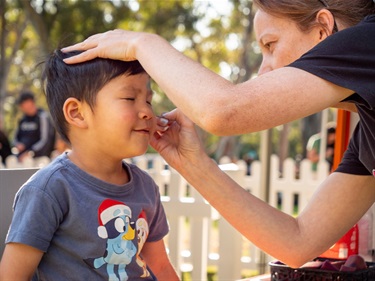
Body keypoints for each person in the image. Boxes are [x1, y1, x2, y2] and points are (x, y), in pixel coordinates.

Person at [60, 0, 375, 268]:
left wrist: (141, 44)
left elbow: (225, 111)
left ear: (323, 29)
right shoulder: (368, 132)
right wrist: (191, 163)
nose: (263, 70)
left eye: (270, 45)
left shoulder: (370, 40)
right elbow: (298, 243)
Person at [0, 50, 179, 280]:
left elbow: (160, 267)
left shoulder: (145, 186)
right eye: (129, 98)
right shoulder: (50, 190)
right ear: (77, 113)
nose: (147, 112)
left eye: (148, 100)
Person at [13, 91, 56, 162]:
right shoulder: (22, 120)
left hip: (40, 156)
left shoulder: (42, 117)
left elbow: (45, 140)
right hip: (22, 156)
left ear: (32, 102)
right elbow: (15, 139)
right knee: (11, 160)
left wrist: (31, 152)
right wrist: (18, 145)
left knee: (29, 162)